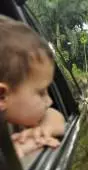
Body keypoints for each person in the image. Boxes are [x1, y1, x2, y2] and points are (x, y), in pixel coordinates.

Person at [0, 15, 65, 160]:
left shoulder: (24, 121)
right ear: (2, 96)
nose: (50, 101)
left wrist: (42, 130)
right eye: (41, 93)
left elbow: (57, 118)